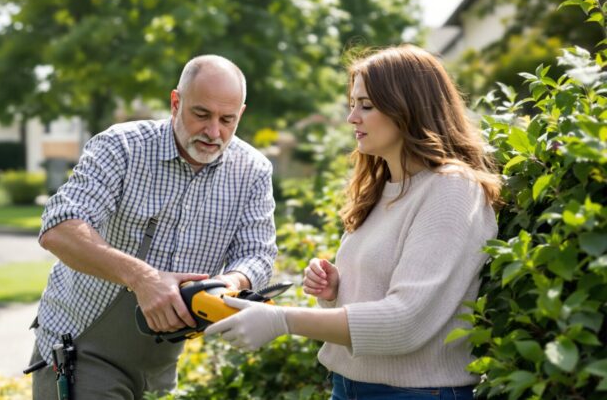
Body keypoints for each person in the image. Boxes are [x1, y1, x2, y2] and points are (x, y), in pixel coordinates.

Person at [205, 45, 502, 399]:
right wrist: (336, 292)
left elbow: (406, 322)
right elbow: (372, 310)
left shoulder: (452, 189)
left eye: (366, 106)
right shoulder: (384, 189)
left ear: (406, 107)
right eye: (352, 105)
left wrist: (284, 320)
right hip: (347, 387)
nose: (352, 118)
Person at [29, 54, 278, 399]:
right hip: (82, 352)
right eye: (201, 114)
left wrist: (228, 284)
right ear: (175, 103)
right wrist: (143, 278)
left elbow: (258, 253)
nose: (213, 131)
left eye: (227, 119)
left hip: (161, 366)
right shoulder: (122, 146)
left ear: (241, 115)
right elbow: (60, 228)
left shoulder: (253, 170)